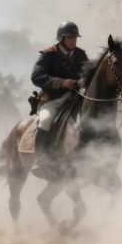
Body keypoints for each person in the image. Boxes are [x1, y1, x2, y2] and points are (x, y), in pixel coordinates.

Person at [30, 21, 88, 177]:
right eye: (70, 37)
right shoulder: (49, 54)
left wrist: (83, 80)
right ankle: (40, 160)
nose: (73, 41)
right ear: (61, 38)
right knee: (45, 120)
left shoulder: (81, 55)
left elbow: (89, 74)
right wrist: (61, 83)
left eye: (75, 37)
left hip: (78, 97)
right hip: (54, 98)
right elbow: (36, 77)